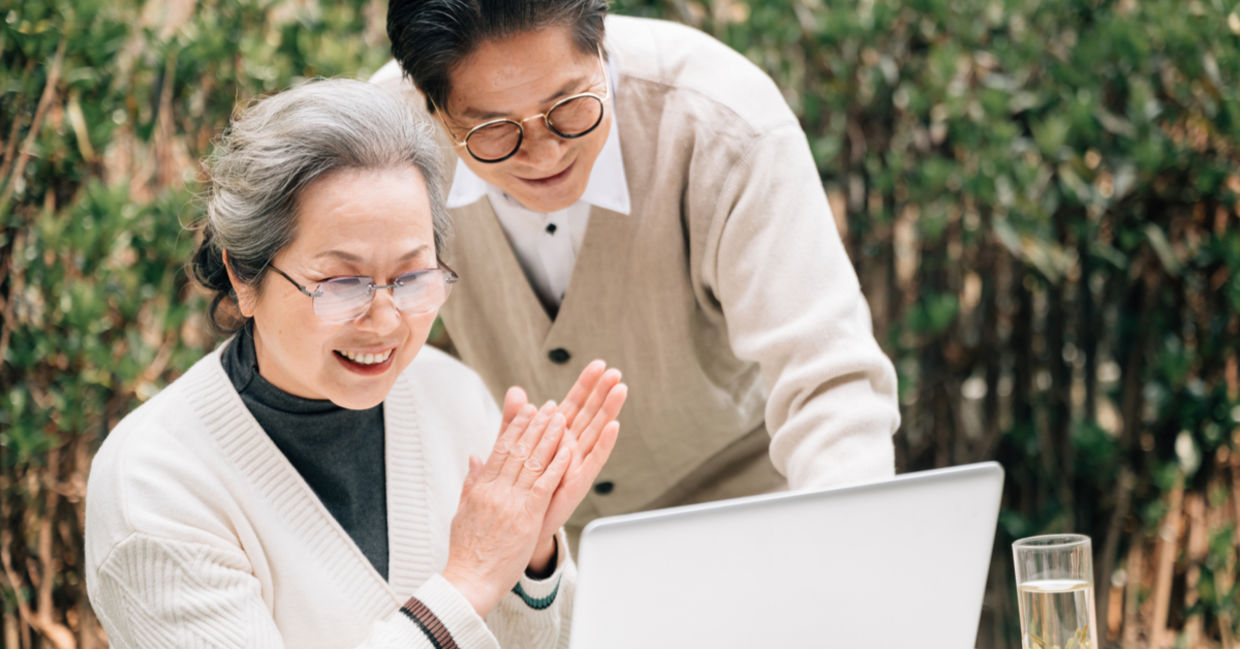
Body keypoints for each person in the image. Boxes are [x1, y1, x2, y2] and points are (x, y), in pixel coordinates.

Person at [84, 79, 627, 649]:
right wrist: (468, 581)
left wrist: (530, 562)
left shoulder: (453, 396)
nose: (387, 321)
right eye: (343, 283)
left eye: (413, 276)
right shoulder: (155, 485)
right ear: (244, 277)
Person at [371, 1, 901, 533]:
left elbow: (829, 379)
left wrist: (844, 550)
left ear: (602, 39)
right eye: (495, 131)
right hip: (547, 543)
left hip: (750, 505)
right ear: (431, 108)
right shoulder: (385, 147)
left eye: (569, 106)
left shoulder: (726, 125)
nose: (545, 153)